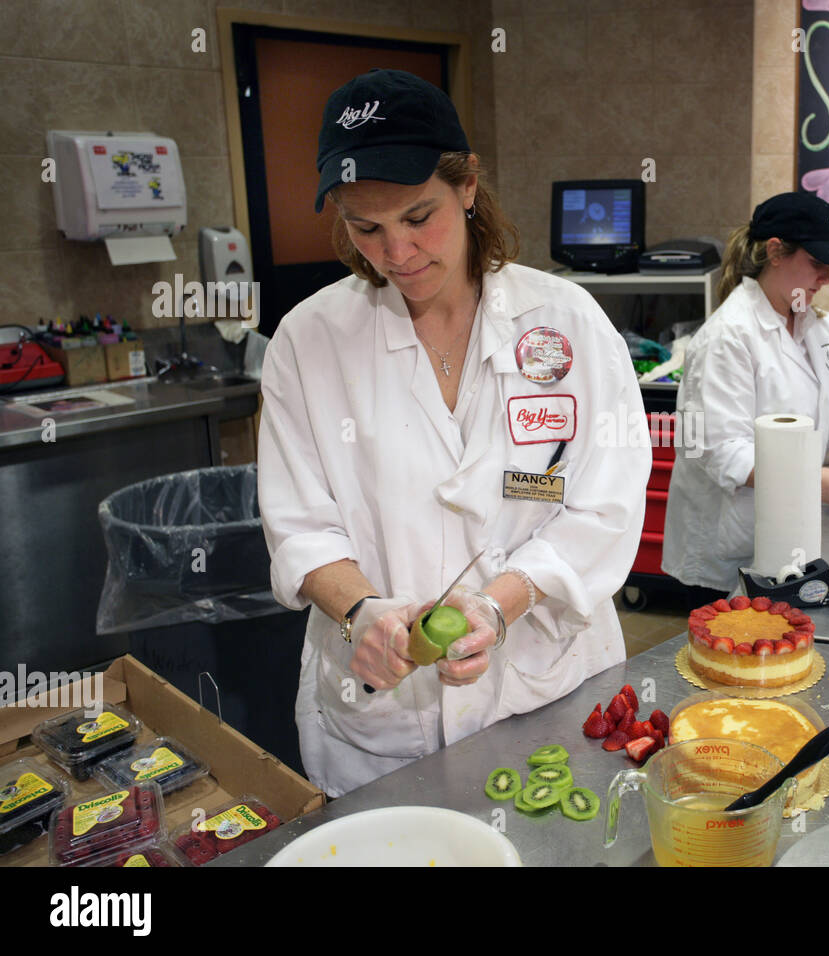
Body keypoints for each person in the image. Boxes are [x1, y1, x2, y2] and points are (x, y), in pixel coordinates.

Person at [258, 69, 650, 796]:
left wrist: (501, 602)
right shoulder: (308, 341)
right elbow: (300, 527)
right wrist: (363, 613)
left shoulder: (566, 323)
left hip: (546, 689)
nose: (396, 253)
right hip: (382, 728)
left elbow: (607, 503)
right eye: (363, 226)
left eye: (417, 217)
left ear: (468, 184)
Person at [662, 191, 829, 593]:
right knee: (737, 647)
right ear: (776, 252)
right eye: (817, 263)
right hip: (734, 543)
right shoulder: (728, 337)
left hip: (791, 535)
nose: (827, 279)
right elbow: (721, 450)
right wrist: (808, 481)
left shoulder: (818, 326)